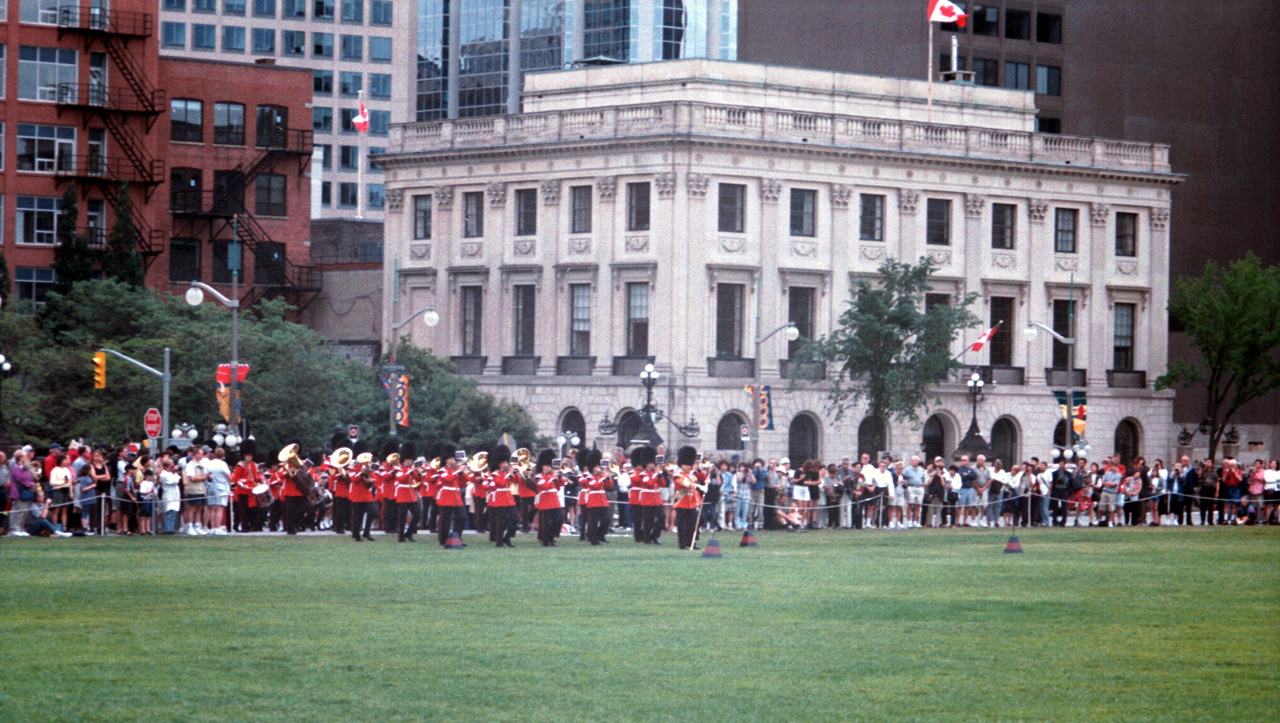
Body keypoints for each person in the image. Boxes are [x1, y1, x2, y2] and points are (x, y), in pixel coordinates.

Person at [484, 444, 518, 547]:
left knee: (515, 519)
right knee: (501, 521)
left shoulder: (506, 473)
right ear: (499, 463)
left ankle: (507, 537)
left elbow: (518, 481)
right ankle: (499, 541)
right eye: (504, 462)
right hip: (500, 499)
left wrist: (516, 473)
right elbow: (502, 483)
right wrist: (510, 473)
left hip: (509, 498)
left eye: (507, 462)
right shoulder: (495, 474)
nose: (506, 464)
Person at [672, 446, 704, 550]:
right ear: (681, 465)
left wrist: (699, 470)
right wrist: (697, 486)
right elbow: (685, 484)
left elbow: (704, 478)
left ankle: (691, 542)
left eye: (690, 464)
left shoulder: (693, 475)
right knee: (682, 525)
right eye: (687, 464)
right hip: (682, 502)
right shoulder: (678, 475)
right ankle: (682, 543)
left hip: (692, 503)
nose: (689, 466)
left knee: (693, 524)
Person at [533, 450, 565, 546]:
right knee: (546, 523)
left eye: (549, 466)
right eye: (546, 466)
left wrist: (559, 477)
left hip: (555, 501)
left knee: (559, 519)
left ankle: (552, 536)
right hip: (545, 501)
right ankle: (546, 540)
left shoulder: (553, 475)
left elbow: (560, 485)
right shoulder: (539, 477)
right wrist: (553, 477)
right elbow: (545, 487)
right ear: (542, 466)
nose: (547, 467)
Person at [183, 447, 209, 535]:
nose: (202, 455)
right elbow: (192, 478)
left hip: (202, 490)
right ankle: (190, 526)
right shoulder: (190, 465)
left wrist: (204, 477)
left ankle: (197, 526)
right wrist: (202, 478)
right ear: (196, 454)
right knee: (192, 508)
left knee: (199, 508)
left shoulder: (201, 464)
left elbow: (207, 475)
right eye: (201, 453)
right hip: (193, 490)